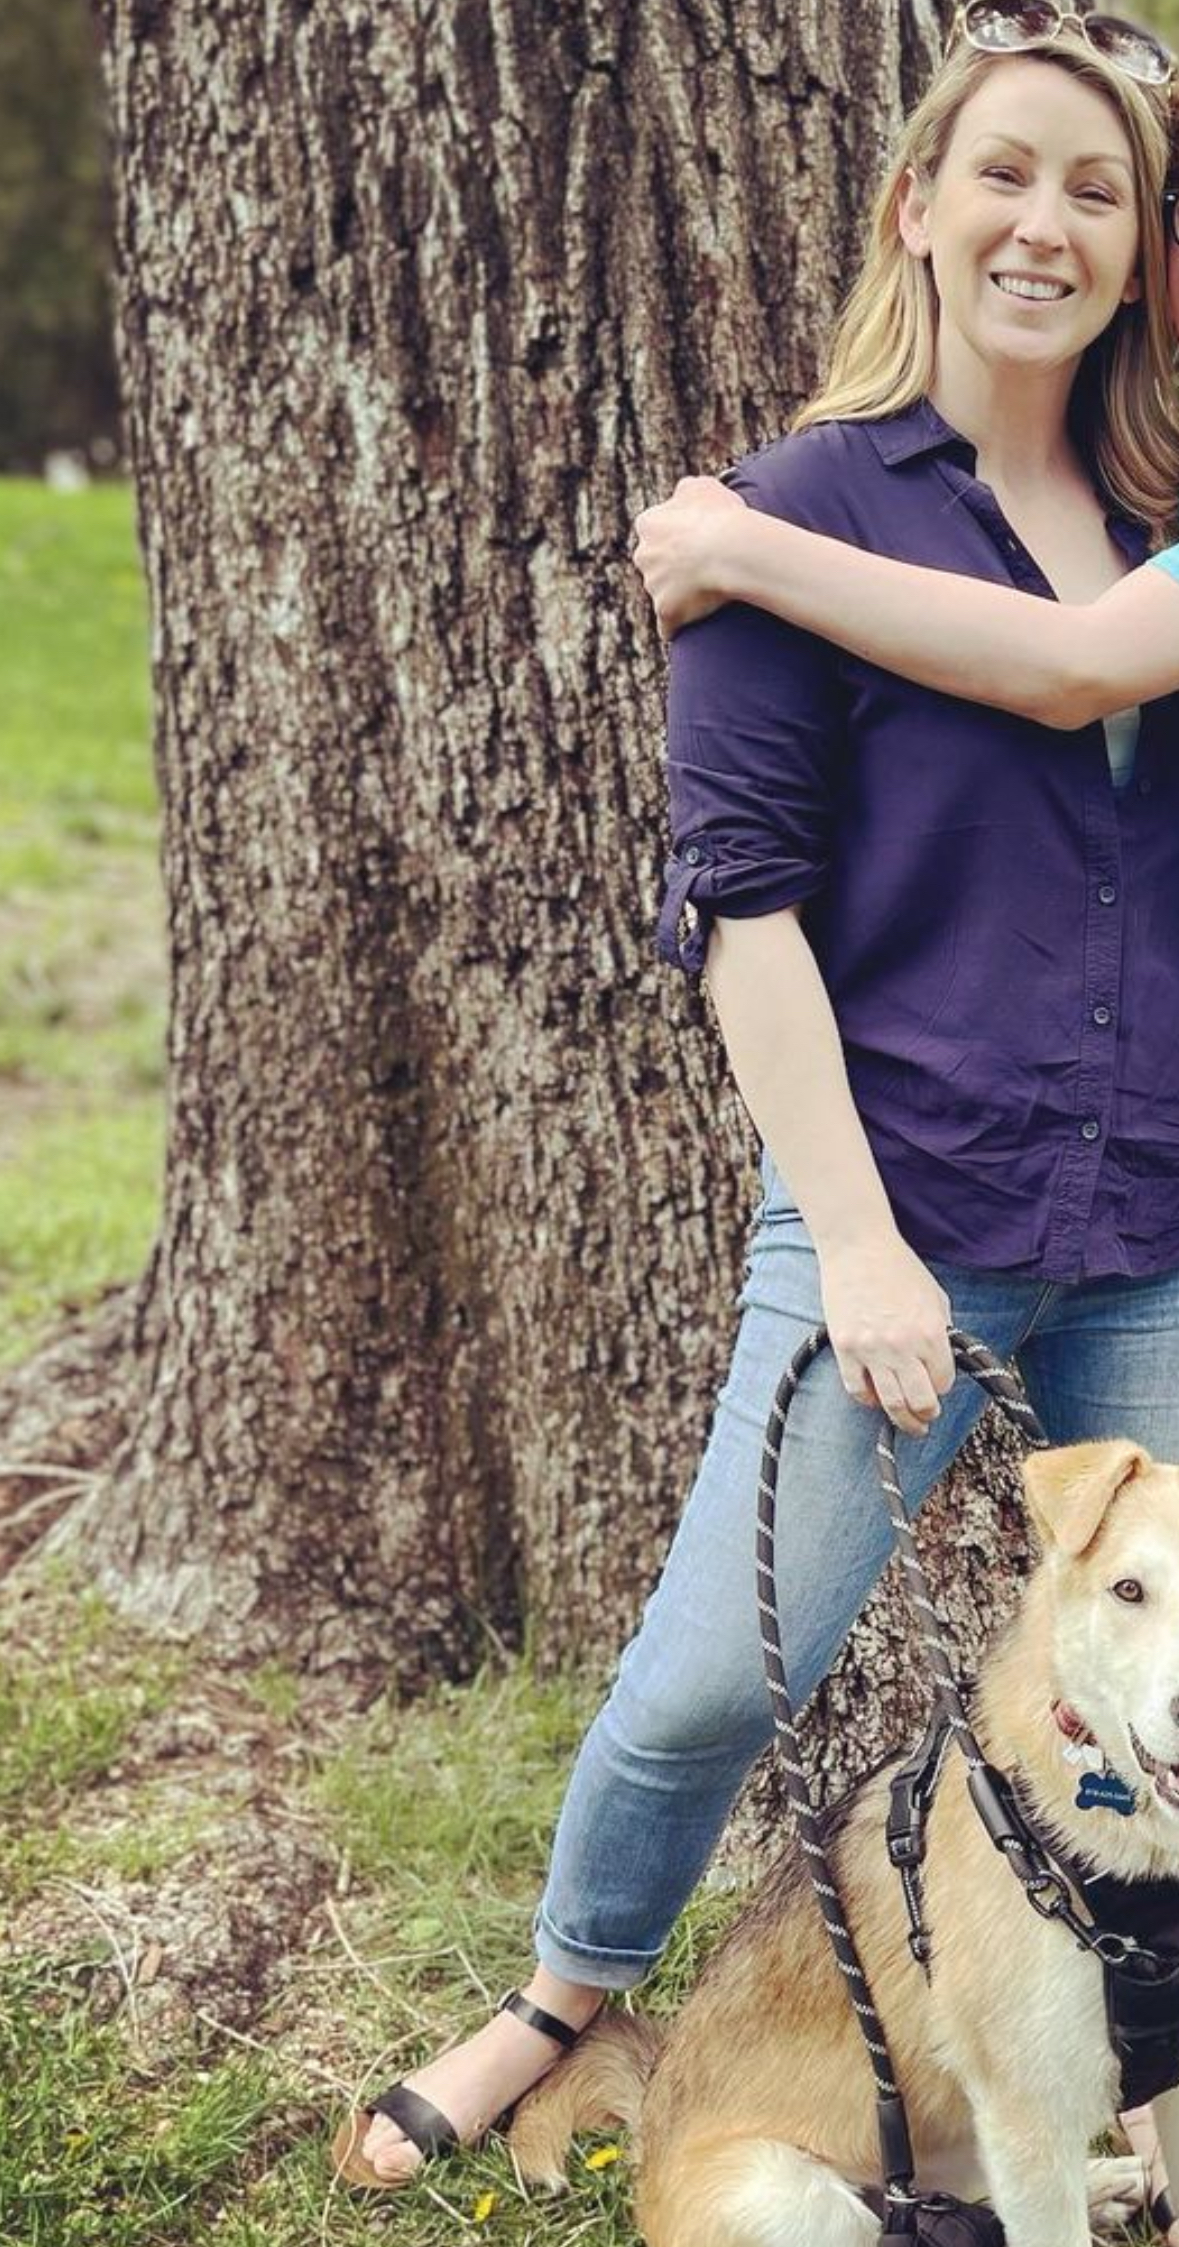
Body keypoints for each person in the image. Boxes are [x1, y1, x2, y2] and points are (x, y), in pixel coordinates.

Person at [337, 11, 1179, 2233]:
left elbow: (1078, 669)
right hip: (902, 1204)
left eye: (1096, 189)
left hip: (1153, 1203)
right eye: (1004, 172)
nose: (1045, 223)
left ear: (1140, 247)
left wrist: (735, 547)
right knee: (723, 1661)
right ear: (917, 204)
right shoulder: (804, 498)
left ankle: (1140, 2056)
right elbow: (743, 909)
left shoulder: (1141, 531)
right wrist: (861, 1245)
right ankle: (561, 1995)